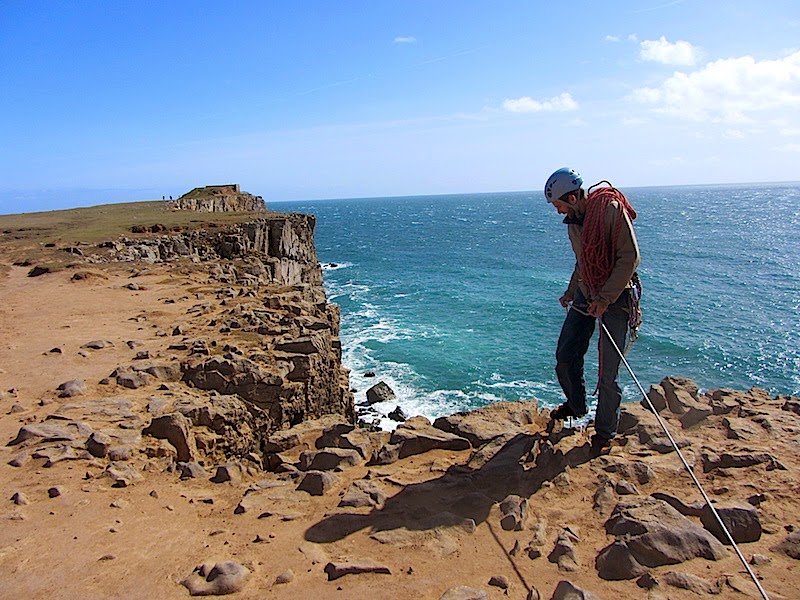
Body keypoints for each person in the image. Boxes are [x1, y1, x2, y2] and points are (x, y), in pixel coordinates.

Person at [544, 167, 641, 451]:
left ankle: (604, 433)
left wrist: (606, 299)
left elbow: (630, 257)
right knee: (566, 353)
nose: (558, 212)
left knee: (607, 372)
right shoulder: (574, 222)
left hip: (616, 295)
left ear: (572, 198)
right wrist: (571, 292)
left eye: (560, 205)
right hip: (587, 292)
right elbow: (583, 261)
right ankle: (576, 405)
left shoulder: (610, 209)